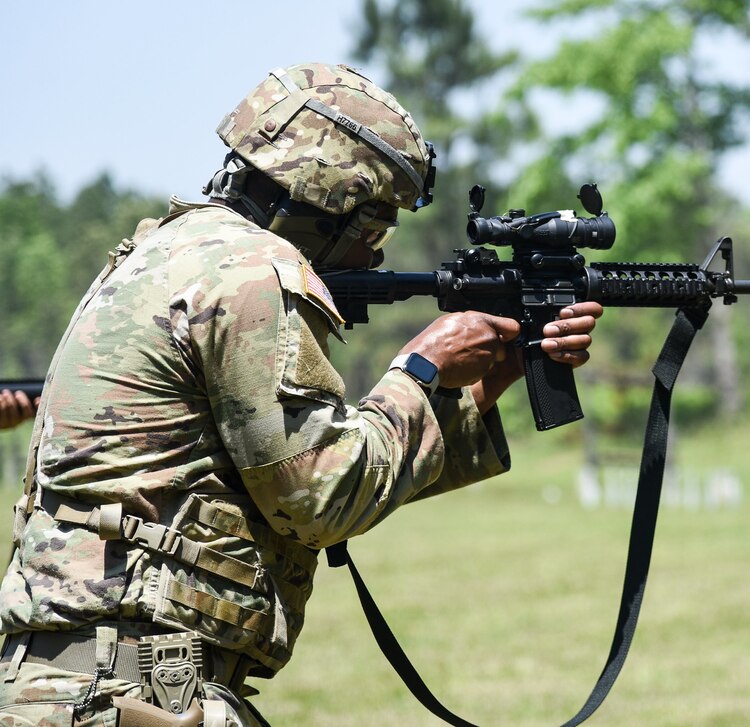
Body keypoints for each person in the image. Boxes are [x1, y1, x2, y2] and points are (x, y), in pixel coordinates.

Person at [0, 62, 602, 726]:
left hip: (92, 683)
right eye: (373, 227)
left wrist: (491, 379)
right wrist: (421, 369)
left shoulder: (163, 254)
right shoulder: (252, 273)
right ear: (327, 198)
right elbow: (322, 499)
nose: (374, 256)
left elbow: (295, 473)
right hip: (133, 687)